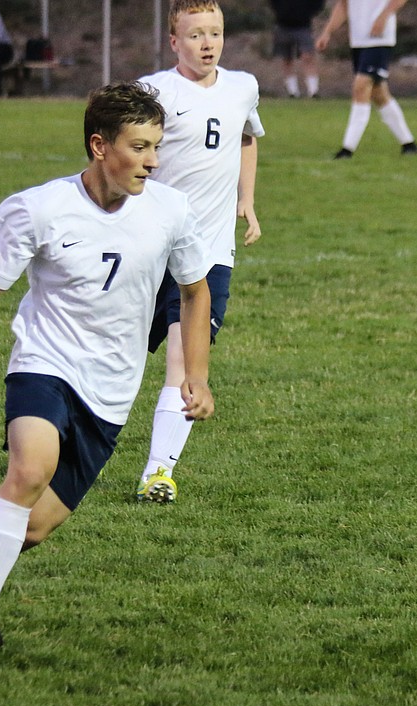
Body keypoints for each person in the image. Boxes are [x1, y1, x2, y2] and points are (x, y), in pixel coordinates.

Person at [0, 81, 216, 656]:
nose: (153, 161)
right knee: (29, 469)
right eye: (139, 147)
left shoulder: (171, 209)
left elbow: (195, 292)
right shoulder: (38, 208)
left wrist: (198, 374)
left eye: (156, 147)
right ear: (98, 145)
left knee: (32, 527)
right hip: (44, 362)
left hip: (112, 386)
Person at [133, 0, 263, 503]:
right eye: (195, 35)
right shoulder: (154, 91)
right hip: (148, 247)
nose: (207, 43)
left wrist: (245, 200)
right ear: (174, 42)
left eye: (215, 32)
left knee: (183, 361)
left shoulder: (243, 86)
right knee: (111, 356)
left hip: (209, 252)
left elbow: (247, 138)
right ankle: (45, 428)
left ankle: (158, 473)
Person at [314, 0, 417, 159]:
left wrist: (383, 17)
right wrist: (327, 31)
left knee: (360, 86)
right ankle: (409, 144)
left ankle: (347, 149)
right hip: (358, 40)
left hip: (379, 38)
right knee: (379, 94)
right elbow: (343, 5)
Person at [268, 0, 323, 98]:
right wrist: (281, 12)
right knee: (286, 59)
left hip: (303, 25)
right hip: (283, 25)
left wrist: (307, 13)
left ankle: (313, 91)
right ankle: (293, 92)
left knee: (307, 57)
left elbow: (318, 4)